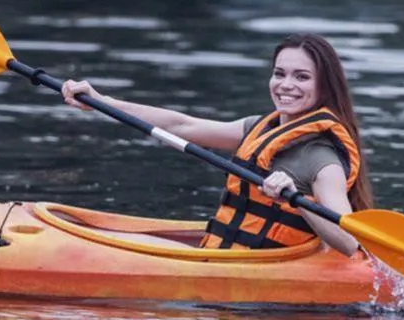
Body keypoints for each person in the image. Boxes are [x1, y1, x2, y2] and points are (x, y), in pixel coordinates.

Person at [60, 34, 373, 256]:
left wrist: (297, 200)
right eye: (279, 74)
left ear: (324, 87)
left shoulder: (322, 159)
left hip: (261, 271)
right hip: (225, 253)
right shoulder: (258, 128)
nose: (286, 85)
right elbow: (182, 126)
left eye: (301, 77)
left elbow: (348, 243)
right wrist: (102, 102)